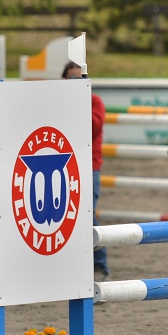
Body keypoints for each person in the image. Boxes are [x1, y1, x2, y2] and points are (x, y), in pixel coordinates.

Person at [62, 62, 109, 281]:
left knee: (88, 217)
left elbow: (93, 128)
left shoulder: (94, 102)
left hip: (90, 167)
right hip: (65, 168)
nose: (75, 84)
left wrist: (76, 104)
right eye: (71, 80)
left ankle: (100, 265)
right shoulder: (59, 104)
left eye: (79, 80)